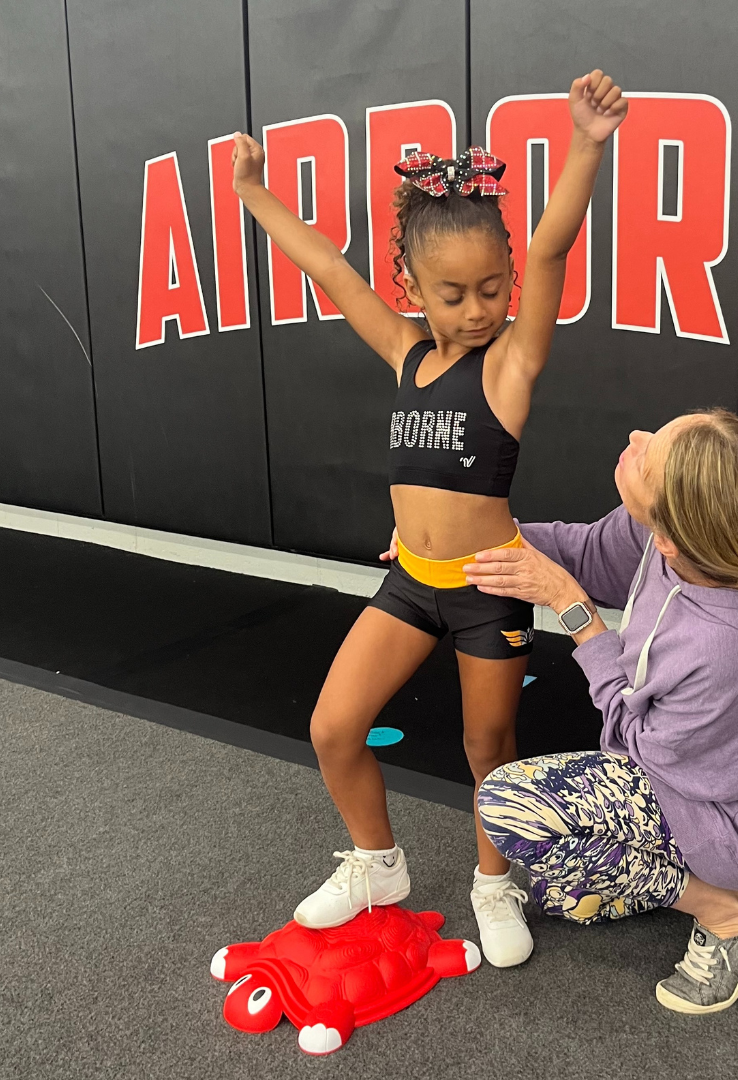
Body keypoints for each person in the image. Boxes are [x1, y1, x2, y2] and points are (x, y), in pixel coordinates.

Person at [229, 71, 628, 968]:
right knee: (333, 727)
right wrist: (254, 191)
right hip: (412, 578)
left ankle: (495, 882)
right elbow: (330, 267)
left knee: (489, 746)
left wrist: (587, 146)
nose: (478, 309)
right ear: (412, 282)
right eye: (454, 294)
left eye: (493, 288)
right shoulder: (406, 352)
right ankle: (377, 863)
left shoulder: (509, 368)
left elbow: (555, 250)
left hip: (489, 590)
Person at [464, 408, 738, 1012]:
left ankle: (736, 912)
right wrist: (474, 535)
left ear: (667, 538)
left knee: (514, 813)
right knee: (574, 888)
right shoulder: (731, 530)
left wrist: (576, 614)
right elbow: (589, 553)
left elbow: (635, 743)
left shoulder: (723, 646)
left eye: (647, 455)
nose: (634, 438)